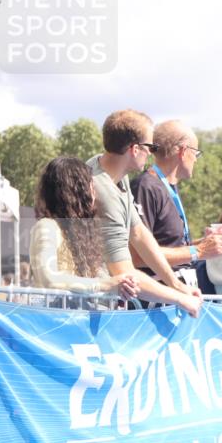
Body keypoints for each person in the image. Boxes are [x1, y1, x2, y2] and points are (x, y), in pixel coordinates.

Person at [30, 156, 201, 315]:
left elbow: (106, 281)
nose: (95, 191)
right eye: (90, 184)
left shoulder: (87, 233)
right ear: (78, 191)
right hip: (57, 324)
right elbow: (49, 278)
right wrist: (107, 285)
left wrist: (119, 288)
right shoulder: (46, 227)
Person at [87, 109, 200, 311]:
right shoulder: (103, 194)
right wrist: (180, 298)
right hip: (90, 305)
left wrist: (177, 285)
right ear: (135, 149)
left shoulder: (113, 172)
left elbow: (139, 233)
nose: (152, 153)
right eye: (150, 146)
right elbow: (125, 272)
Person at [130, 120, 222, 287]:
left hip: (178, 293)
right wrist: (199, 251)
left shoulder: (167, 186)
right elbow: (137, 256)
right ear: (183, 151)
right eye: (196, 153)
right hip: (156, 300)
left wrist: (206, 243)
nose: (196, 160)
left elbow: (169, 246)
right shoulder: (146, 186)